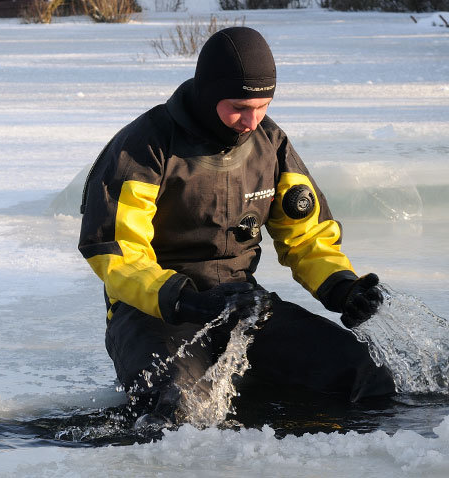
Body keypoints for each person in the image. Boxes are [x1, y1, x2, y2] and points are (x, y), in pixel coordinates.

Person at [78, 27, 394, 424]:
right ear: (208, 94)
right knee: (178, 409)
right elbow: (116, 251)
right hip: (153, 312)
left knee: (367, 377)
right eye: (239, 107)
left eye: (263, 105)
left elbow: (306, 235)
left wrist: (341, 287)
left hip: (240, 303)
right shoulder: (144, 148)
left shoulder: (270, 144)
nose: (252, 120)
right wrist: (184, 299)